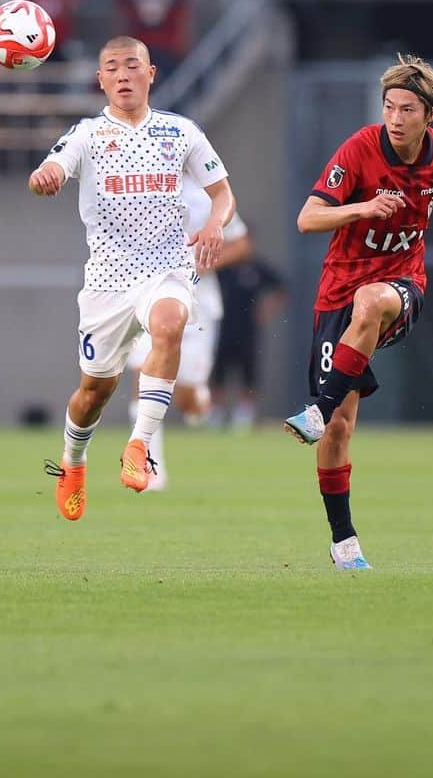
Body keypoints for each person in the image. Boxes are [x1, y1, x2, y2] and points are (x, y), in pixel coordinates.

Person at [284, 54, 433, 569]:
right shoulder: (360, 149)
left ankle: (317, 408)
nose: (396, 118)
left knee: (373, 299)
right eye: (389, 107)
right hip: (337, 295)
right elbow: (307, 219)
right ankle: (344, 543)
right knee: (340, 431)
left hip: (400, 287)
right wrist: (360, 207)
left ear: (430, 115)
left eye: (407, 109)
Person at [29, 36, 234, 519]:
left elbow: (223, 194)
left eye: (131, 66)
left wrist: (214, 223)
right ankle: (73, 462)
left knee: (169, 324)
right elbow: (51, 167)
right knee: (93, 393)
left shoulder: (181, 132)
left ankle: (140, 446)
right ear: (100, 80)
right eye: (112, 68)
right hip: (107, 282)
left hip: (166, 268)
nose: (123, 75)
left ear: (151, 73)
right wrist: (46, 177)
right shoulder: (86, 135)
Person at [125, 177, 253, 491]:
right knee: (144, 373)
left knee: (185, 396)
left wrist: (206, 261)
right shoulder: (137, 186)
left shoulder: (208, 196)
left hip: (198, 303)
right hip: (149, 296)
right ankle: (148, 466)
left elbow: (242, 244)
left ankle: (199, 398)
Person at [213, 253, 286, 431]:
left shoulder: (256, 267)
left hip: (249, 331)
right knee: (218, 373)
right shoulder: (222, 267)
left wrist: (267, 311)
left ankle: (243, 417)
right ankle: (215, 415)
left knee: (248, 373)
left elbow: (280, 288)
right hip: (223, 328)